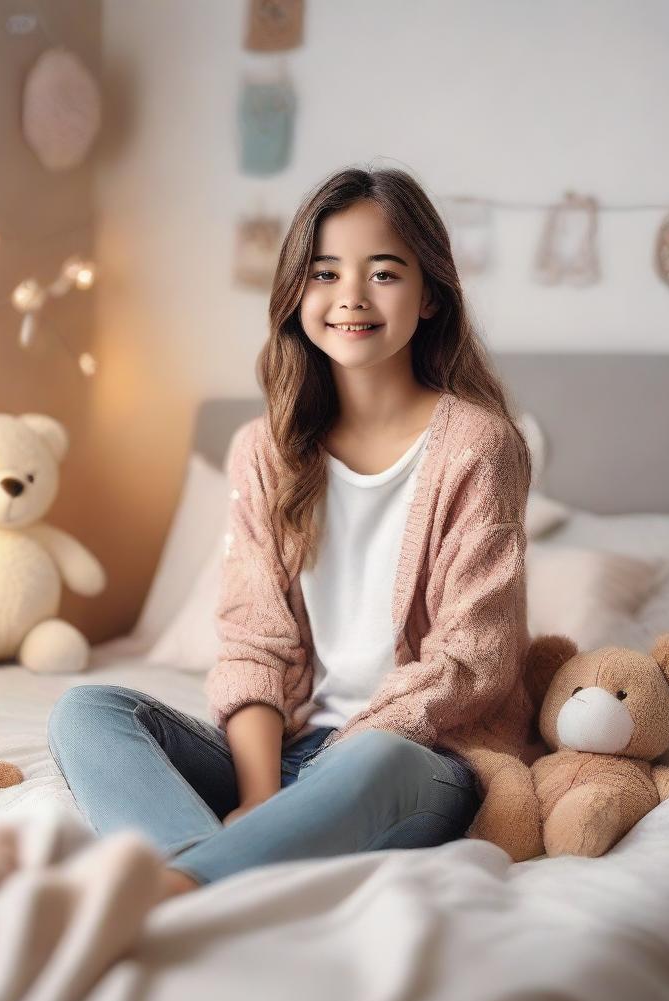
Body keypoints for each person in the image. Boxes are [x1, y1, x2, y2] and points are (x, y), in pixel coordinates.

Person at [48, 164, 534, 906]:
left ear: (431, 294)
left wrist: (337, 763)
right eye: (324, 272)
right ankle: (204, 872)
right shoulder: (264, 450)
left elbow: (472, 662)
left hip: (417, 757)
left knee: (377, 761)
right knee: (87, 711)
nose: (351, 297)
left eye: (384, 272)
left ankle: (171, 888)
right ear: (295, 293)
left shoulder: (478, 445)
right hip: (288, 753)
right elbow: (253, 642)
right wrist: (261, 793)